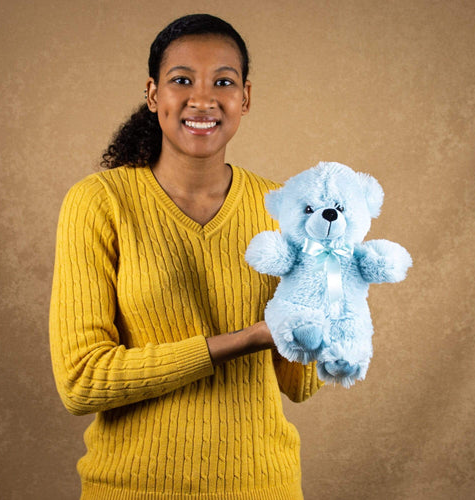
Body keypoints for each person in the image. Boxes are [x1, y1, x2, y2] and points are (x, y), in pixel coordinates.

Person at [49, 13, 322, 500]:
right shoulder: (100, 203)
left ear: (245, 98)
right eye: (182, 80)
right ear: (154, 94)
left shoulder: (283, 208)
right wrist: (244, 339)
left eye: (223, 81)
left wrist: (332, 301)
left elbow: (300, 384)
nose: (203, 98)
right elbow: (81, 380)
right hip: (132, 489)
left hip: (264, 487)